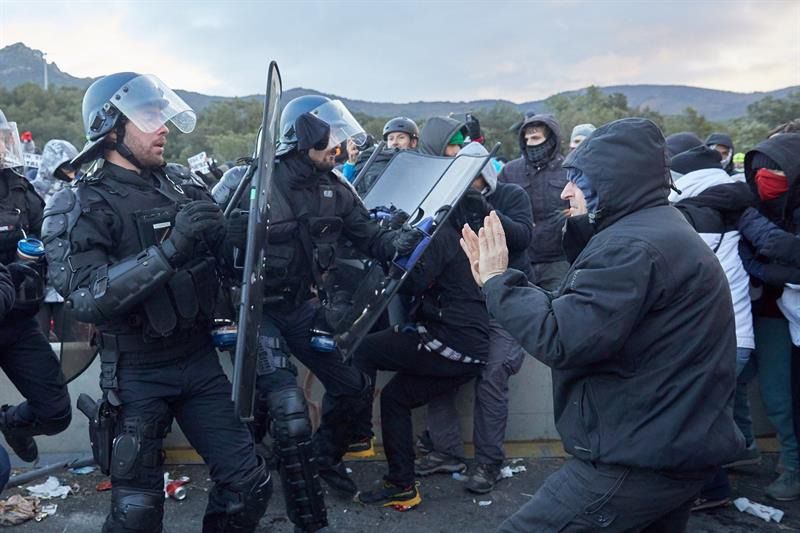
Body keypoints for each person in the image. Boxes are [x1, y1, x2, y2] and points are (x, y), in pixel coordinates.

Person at [462, 118, 743, 532]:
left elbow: (562, 337)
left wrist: (498, 282)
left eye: (578, 180)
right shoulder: (656, 228)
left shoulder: (629, 247)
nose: (565, 191)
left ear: (614, 182)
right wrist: (576, 233)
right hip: (673, 446)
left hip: (636, 457)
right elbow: (592, 310)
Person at [42, 72, 271, 532]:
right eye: (148, 117)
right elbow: (85, 298)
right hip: (135, 372)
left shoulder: (182, 184)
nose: (163, 127)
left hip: (199, 360)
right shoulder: (79, 202)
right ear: (111, 129)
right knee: (137, 514)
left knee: (249, 486)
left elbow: (226, 265)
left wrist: (234, 235)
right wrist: (169, 251)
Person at [247, 94, 421, 529]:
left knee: (353, 386)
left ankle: (323, 458)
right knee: (285, 402)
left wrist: (396, 241)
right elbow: (214, 246)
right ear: (303, 138)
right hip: (257, 311)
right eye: (330, 138)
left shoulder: (336, 188)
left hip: (302, 307)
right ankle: (254, 475)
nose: (339, 147)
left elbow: (371, 238)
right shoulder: (254, 182)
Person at [343, 186, 491, 510]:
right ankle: (402, 486)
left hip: (450, 340)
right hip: (469, 348)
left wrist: (391, 247)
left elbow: (410, 282)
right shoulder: (464, 237)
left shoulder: (444, 236)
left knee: (363, 350)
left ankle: (358, 432)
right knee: (395, 398)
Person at [417, 142, 535, 494]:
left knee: (494, 374)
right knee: (436, 366)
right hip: (461, 305)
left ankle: (488, 462)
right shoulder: (449, 201)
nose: (467, 182)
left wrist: (483, 211)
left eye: (473, 176)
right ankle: (445, 450)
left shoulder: (510, 195)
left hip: (504, 302)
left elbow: (522, 237)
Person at [668, 145, 756, 510]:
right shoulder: (732, 207)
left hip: (714, 337)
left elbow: (673, 271)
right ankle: (744, 451)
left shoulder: (698, 216)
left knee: (695, 416)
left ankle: (712, 489)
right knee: (719, 409)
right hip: (739, 333)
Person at [0, 108, 71, 465]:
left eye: (3, 139)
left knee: (56, 412)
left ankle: (12, 423)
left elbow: (50, 240)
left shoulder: (18, 189)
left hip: (17, 320)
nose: (2, 147)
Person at [735, 133, 800, 501]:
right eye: (759, 172)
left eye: (776, 171)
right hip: (757, 309)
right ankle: (747, 448)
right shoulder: (750, 202)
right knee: (741, 381)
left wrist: (763, 266)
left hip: (780, 313)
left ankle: (793, 466)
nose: (765, 179)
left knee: (778, 395)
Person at [497, 113, 568, 291]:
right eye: (526, 139)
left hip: (558, 260)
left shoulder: (569, 169)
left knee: (557, 304)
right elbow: (496, 205)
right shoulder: (510, 171)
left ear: (551, 140)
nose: (530, 143)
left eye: (535, 138)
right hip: (520, 260)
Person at [32, 139, 81, 341]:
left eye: (73, 165)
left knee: (72, 343)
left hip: (68, 281)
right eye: (65, 166)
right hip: (37, 282)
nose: (71, 171)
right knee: (37, 341)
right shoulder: (31, 192)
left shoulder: (79, 191)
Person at [347, 116, 419, 195]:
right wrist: (352, 162)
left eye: (401, 138)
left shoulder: (421, 165)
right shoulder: (372, 160)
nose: (395, 142)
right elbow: (348, 188)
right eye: (391, 139)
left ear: (413, 142)